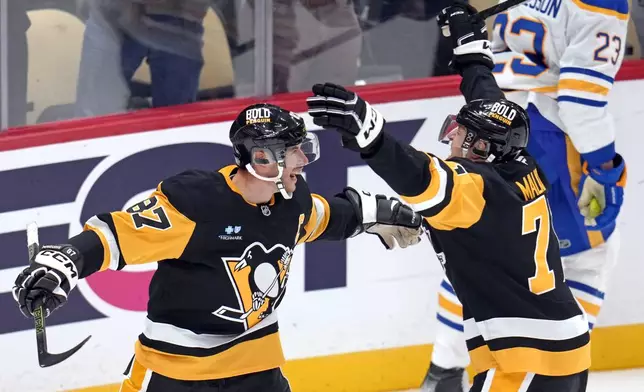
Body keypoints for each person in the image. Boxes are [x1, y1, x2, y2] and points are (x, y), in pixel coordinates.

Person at [11, 103, 423, 391]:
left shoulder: (292, 201)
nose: (303, 158)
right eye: (293, 150)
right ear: (262, 159)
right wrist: (65, 261)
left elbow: (322, 218)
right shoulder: (196, 203)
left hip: (255, 367)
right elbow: (118, 235)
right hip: (175, 372)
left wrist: (369, 214)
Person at [306, 3, 611, 390]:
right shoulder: (519, 164)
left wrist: (372, 137)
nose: (450, 135)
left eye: (460, 132)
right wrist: (472, 57)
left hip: (524, 358)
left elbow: (420, 176)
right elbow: (490, 104)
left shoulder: (474, 186)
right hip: (551, 348)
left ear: (482, 148)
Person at [418, 0, 631, 389]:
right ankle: (558, 371)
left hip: (492, 124)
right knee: (589, 253)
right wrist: (602, 169)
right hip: (551, 141)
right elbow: (581, 103)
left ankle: (442, 370)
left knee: (480, 253)